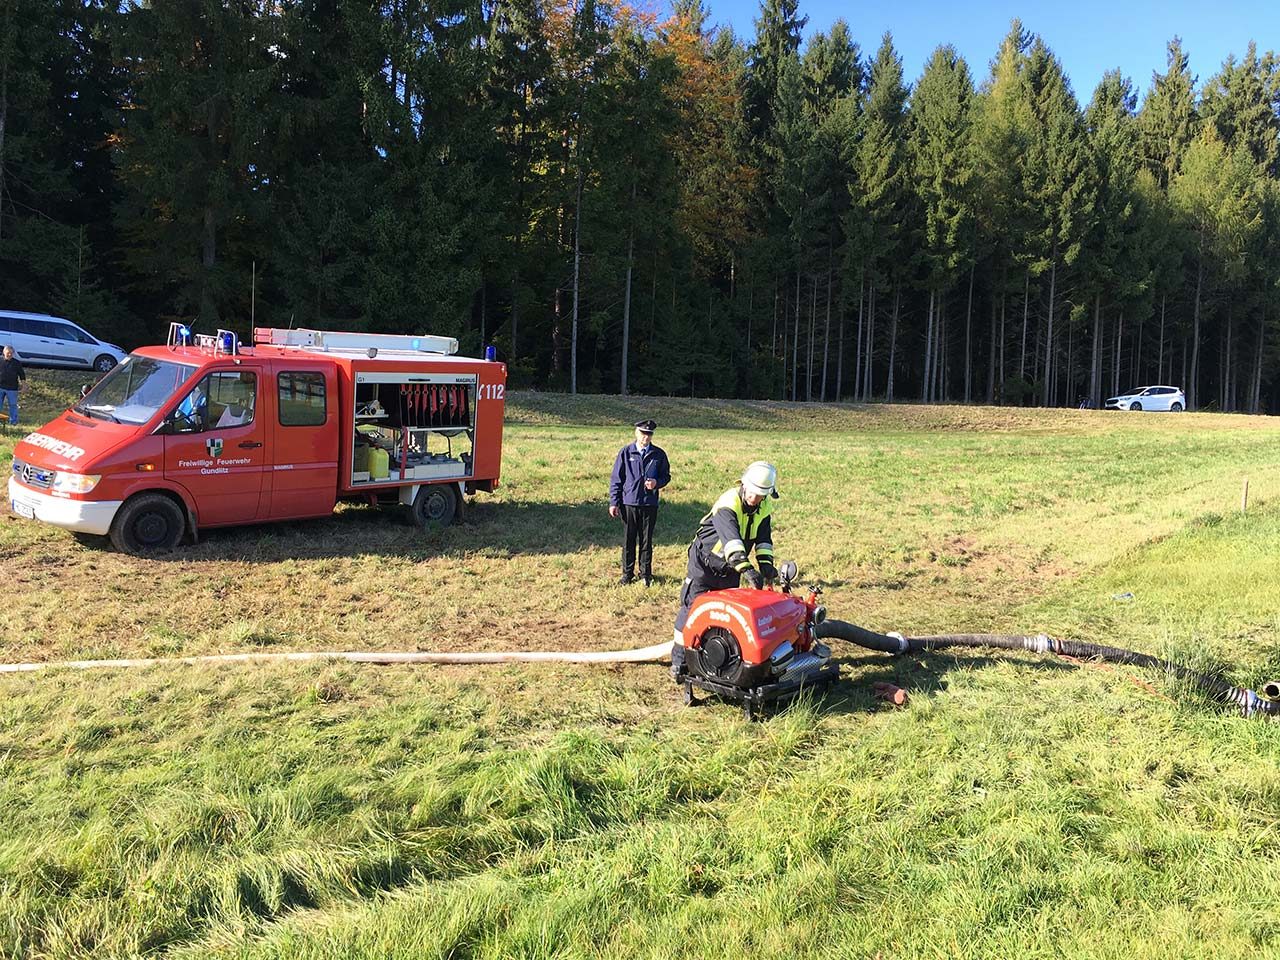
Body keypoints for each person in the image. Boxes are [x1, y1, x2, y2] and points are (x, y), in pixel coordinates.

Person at [670, 461, 779, 678]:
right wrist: (747, 570)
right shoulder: (728, 503)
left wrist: (766, 565)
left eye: (761, 495)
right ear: (744, 485)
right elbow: (732, 542)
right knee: (693, 610)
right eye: (753, 493)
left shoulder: (764, 506)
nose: (755, 499)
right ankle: (679, 663)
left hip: (731, 570)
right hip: (705, 565)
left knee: (727, 616)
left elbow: (764, 539)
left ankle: (720, 664)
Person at [608, 418, 671, 586]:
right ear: (636, 433)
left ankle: (645, 574)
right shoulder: (626, 452)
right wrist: (614, 502)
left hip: (650, 504)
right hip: (629, 503)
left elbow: (666, 476)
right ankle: (627, 574)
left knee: (646, 541)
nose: (646, 437)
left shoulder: (659, 454)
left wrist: (657, 483)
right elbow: (616, 479)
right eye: (643, 433)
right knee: (629, 540)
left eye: (649, 434)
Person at [0, 345, 26, 426]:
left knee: (13, 405)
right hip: (0, 387)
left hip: (12, 388)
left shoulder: (16, 363)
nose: (10, 355)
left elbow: (22, 375)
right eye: (8, 353)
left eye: (11, 353)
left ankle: (13, 422)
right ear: (4, 352)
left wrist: (24, 385)